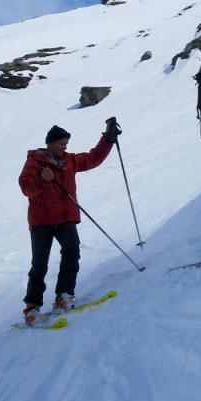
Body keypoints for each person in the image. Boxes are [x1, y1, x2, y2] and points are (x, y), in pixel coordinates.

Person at [18, 118, 120, 323]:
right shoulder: (34, 162)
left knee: (72, 251)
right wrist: (42, 180)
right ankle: (32, 306)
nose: (64, 147)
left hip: (65, 217)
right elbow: (26, 188)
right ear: (49, 143)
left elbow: (93, 158)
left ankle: (64, 296)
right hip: (42, 220)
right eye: (61, 144)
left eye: (66, 144)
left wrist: (108, 139)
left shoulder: (69, 160)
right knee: (40, 263)